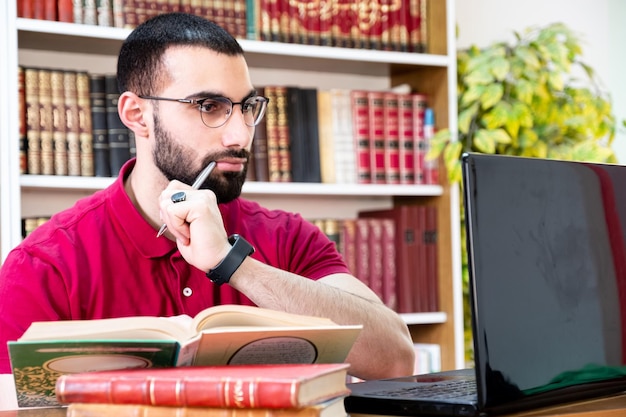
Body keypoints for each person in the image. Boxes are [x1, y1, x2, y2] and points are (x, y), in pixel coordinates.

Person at [0, 12, 415, 379]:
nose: (240, 135)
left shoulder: (289, 236)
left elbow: (395, 360)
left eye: (247, 106)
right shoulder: (43, 266)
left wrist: (234, 265)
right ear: (137, 115)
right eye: (209, 106)